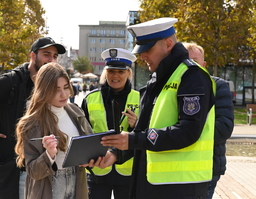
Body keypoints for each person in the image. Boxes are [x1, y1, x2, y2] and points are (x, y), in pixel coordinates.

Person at [99, 17, 216, 199]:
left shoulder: (192, 76)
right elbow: (143, 130)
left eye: (148, 50)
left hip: (181, 187)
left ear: (168, 44)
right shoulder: (158, 78)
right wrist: (116, 153)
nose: (142, 56)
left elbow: (188, 131)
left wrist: (133, 140)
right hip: (153, 184)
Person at [0, 37, 66, 199]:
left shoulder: (50, 84)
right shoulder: (12, 81)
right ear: (33, 56)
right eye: (46, 54)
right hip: (12, 168)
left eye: (55, 56)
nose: (51, 60)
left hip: (42, 167)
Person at [15, 62, 93, 199]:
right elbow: (33, 171)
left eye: (65, 87)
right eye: (56, 89)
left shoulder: (75, 111)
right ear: (44, 90)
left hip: (77, 180)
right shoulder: (32, 123)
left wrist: (89, 158)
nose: (63, 94)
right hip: (48, 186)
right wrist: (49, 155)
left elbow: (89, 145)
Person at [81, 48, 140, 199]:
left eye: (121, 72)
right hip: (97, 170)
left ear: (129, 73)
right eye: (111, 71)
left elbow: (147, 133)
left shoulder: (140, 98)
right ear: (105, 72)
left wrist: (136, 125)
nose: (115, 75)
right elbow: (81, 134)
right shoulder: (90, 99)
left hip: (128, 171)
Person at [183, 42, 234, 199]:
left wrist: (183, 137)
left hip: (207, 167)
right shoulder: (172, 87)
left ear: (204, 65)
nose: (189, 66)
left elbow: (223, 127)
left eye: (194, 61)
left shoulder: (218, 86)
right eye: (184, 61)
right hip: (176, 168)